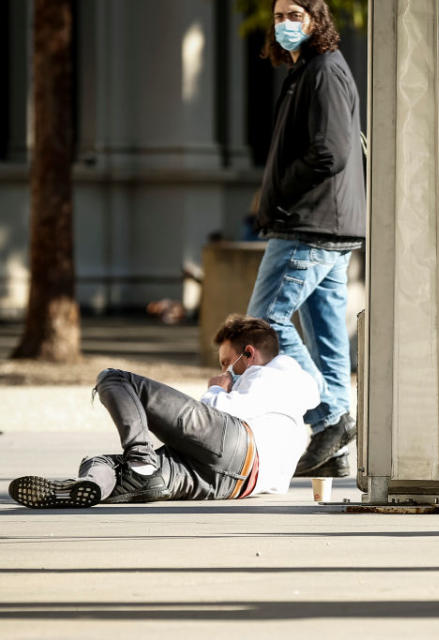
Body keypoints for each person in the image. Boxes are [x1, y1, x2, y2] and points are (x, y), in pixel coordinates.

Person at [8, 315, 318, 509]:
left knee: (113, 377)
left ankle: (140, 455)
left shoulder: (273, 373)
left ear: (248, 354)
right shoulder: (293, 409)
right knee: (105, 465)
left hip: (237, 446)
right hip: (232, 484)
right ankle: (91, 486)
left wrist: (217, 387)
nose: (225, 370)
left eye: (226, 362)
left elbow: (219, 410)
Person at [246, 0, 365, 480]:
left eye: (294, 14)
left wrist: (279, 195)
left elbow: (330, 153)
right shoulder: (309, 70)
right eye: (277, 17)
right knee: (325, 332)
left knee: (263, 322)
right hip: (324, 223)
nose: (284, 25)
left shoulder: (324, 72)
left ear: (317, 20)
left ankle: (330, 413)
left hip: (310, 224)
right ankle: (334, 445)